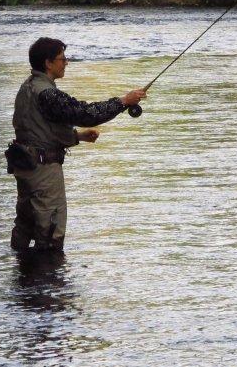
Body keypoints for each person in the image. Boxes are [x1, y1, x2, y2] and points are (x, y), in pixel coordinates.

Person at [10, 37, 146, 252]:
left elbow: (37, 130)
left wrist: (78, 137)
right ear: (48, 63)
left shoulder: (27, 87)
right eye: (63, 59)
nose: (66, 63)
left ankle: (23, 279)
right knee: (49, 233)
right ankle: (49, 282)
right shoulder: (47, 93)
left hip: (26, 168)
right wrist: (123, 102)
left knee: (24, 229)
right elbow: (85, 114)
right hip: (44, 174)